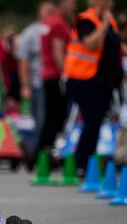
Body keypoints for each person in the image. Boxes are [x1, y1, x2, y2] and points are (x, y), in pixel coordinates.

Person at [64, 0, 127, 173]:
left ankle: (87, 162)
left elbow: (117, 46)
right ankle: (81, 163)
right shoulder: (86, 20)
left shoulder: (109, 21)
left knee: (96, 121)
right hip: (83, 79)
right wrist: (104, 24)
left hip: (103, 82)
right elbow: (91, 43)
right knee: (92, 120)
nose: (107, 3)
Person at [33, 0, 76, 167]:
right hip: (56, 76)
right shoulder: (58, 23)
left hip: (48, 75)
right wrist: (65, 76)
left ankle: (40, 155)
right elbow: (58, 52)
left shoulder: (50, 22)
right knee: (56, 119)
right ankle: (44, 155)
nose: (74, 7)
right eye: (71, 3)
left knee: (50, 118)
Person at [16, 1, 56, 146]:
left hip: (55, 82)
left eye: (52, 11)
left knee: (54, 119)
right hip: (37, 83)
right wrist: (25, 85)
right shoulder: (30, 32)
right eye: (47, 10)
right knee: (40, 120)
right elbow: (23, 60)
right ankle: (39, 152)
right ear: (39, 12)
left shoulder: (57, 29)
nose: (49, 14)